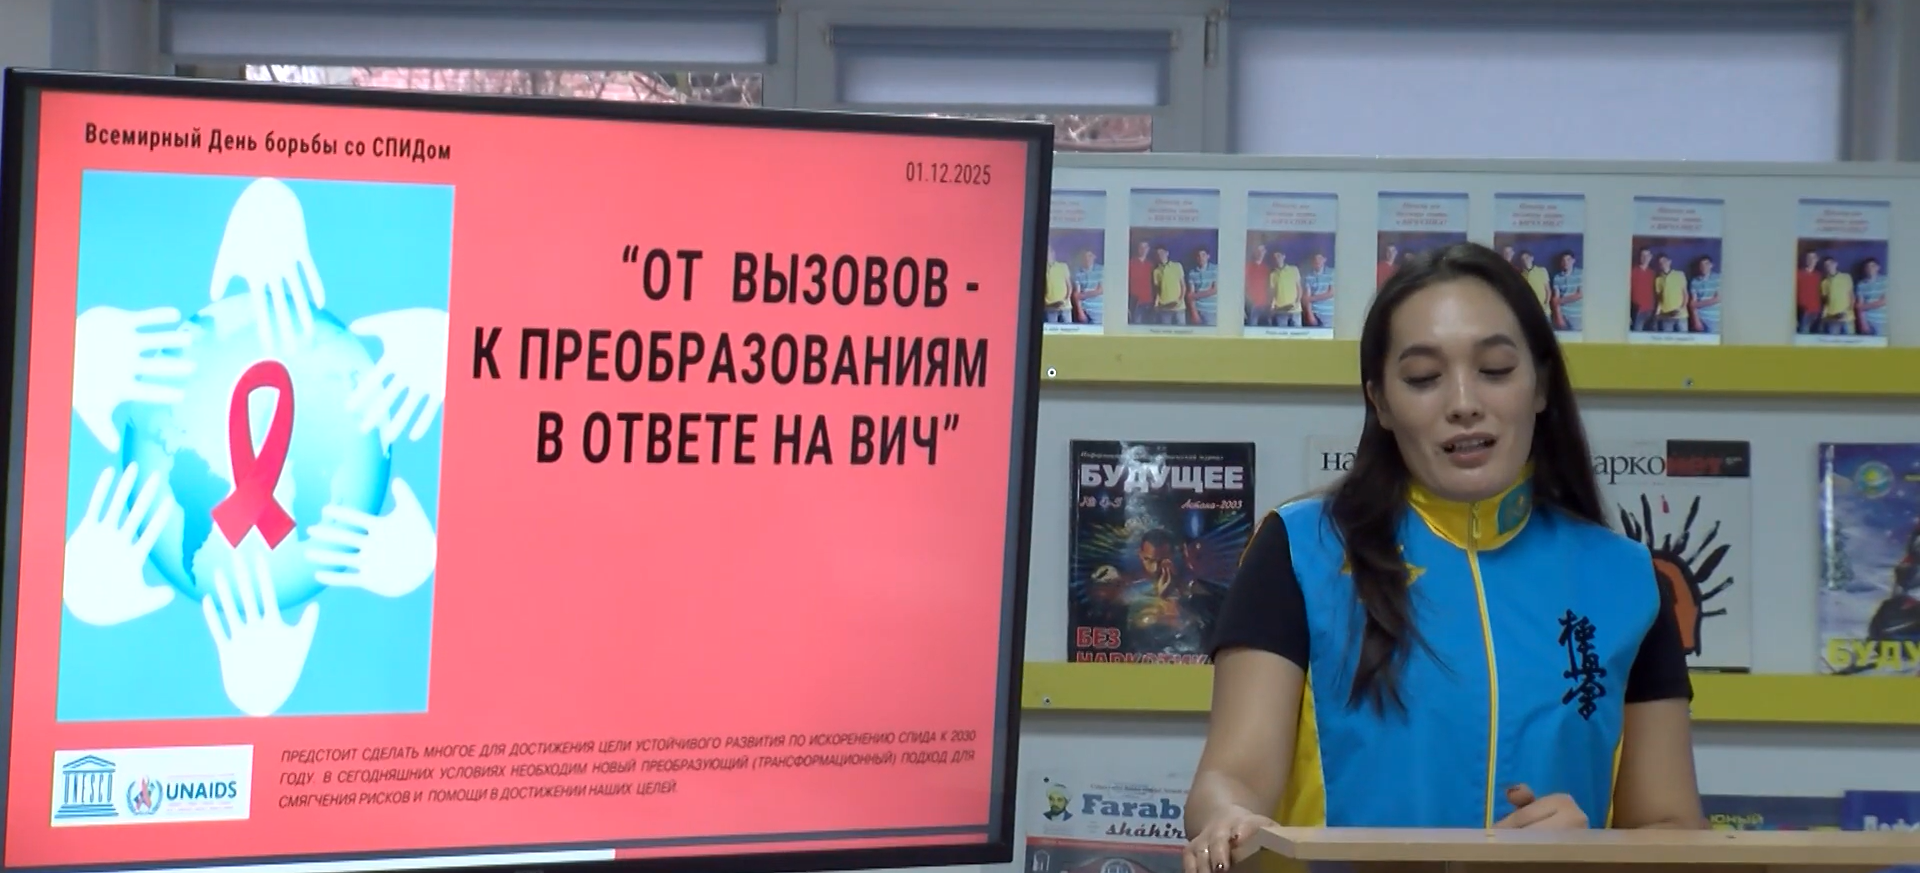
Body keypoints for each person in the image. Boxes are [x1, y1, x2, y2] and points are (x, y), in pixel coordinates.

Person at [1182, 242, 1704, 873]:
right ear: (1380, 402)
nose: (1463, 402)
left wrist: (1591, 854)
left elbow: (1674, 830)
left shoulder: (1626, 579)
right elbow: (1231, 781)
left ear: (1540, 384)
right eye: (1424, 378)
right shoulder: (1299, 550)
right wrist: (1227, 820)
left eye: (1496, 369)